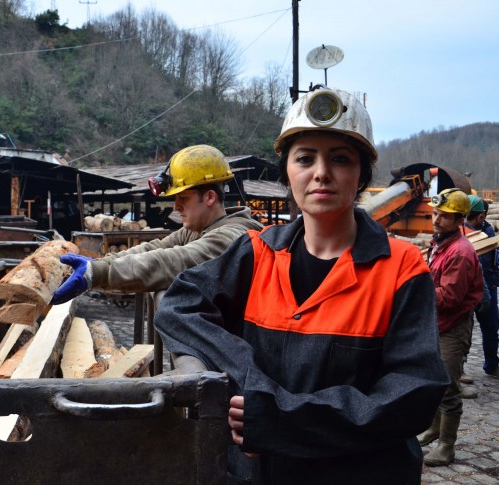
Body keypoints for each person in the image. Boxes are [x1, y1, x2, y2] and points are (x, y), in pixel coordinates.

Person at [153, 87, 449, 484]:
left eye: (340, 159)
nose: (321, 172)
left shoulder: (401, 268)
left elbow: (414, 394)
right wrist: (252, 382)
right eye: (305, 158)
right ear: (287, 172)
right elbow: (177, 307)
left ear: (361, 174)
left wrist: (284, 419)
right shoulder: (257, 253)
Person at [50, 144, 263, 305]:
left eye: (183, 198)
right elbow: (155, 248)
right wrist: (99, 263)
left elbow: (172, 261)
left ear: (209, 197)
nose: (176, 206)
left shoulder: (234, 237)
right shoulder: (196, 230)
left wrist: (97, 273)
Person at [417, 188, 484, 467]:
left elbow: (449, 298)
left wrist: (415, 288)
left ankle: (447, 445)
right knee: (434, 381)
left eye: (444, 216)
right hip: (437, 323)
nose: (436, 220)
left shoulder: (459, 252)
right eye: (435, 214)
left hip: (453, 326)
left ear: (459, 220)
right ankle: (434, 429)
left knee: (448, 386)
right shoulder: (441, 243)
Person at [465, 196, 499, 380]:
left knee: (491, 328)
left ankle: (492, 365)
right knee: (463, 331)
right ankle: (458, 370)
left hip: (489, 287)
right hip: (468, 290)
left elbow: (493, 260)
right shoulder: (460, 233)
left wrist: (493, 281)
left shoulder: (488, 230)